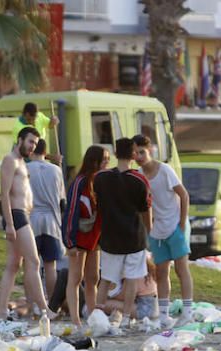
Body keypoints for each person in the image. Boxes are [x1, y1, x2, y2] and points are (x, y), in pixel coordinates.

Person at [132, 134, 194, 326]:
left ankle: (188, 312)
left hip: (175, 226)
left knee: (181, 269)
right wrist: (149, 229)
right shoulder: (140, 176)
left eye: (142, 152)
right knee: (161, 272)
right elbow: (145, 206)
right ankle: (164, 314)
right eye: (135, 153)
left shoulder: (165, 170)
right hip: (157, 231)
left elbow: (183, 195)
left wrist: (182, 225)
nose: (139, 156)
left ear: (149, 150)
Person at [0, 126, 54, 322]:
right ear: (20, 140)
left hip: (23, 215)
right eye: (30, 142)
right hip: (16, 215)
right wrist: (10, 224)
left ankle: (2, 311)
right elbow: (4, 193)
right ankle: (44, 308)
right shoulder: (10, 160)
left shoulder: (22, 162)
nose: (32, 147)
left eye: (35, 144)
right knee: (34, 261)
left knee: (13, 265)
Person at [94, 137, 152, 324]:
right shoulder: (139, 180)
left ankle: (97, 314)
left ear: (116, 153)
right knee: (132, 278)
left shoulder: (101, 178)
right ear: (134, 154)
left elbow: (98, 206)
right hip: (134, 237)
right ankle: (126, 317)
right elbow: (145, 210)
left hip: (110, 237)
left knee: (106, 278)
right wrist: (149, 232)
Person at [61, 145, 109, 327]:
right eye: (104, 159)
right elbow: (71, 211)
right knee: (75, 277)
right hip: (80, 236)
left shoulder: (102, 180)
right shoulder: (80, 181)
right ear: (94, 161)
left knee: (93, 277)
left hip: (95, 238)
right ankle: (75, 319)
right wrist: (70, 242)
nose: (107, 162)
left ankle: (92, 316)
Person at [28, 138, 66, 298]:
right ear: (45, 152)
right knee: (50, 265)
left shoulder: (24, 168)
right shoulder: (56, 170)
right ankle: (52, 303)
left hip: (31, 221)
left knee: (31, 266)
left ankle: (32, 304)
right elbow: (62, 201)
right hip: (52, 221)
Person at [102, 255, 159, 321]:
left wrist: (108, 295)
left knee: (104, 304)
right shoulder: (144, 271)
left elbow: (124, 297)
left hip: (145, 310)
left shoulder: (134, 274)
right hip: (151, 307)